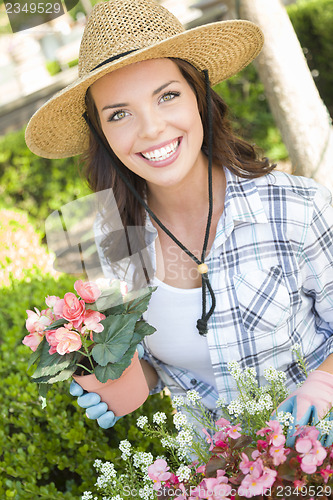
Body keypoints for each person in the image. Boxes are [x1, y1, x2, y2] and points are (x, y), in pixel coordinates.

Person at [25, 0, 333, 443]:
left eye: (167, 95)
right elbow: (157, 362)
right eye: (119, 114)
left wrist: (323, 387)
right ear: (101, 133)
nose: (151, 129)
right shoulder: (110, 239)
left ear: (199, 93)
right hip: (215, 479)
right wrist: (120, 378)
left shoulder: (296, 208)